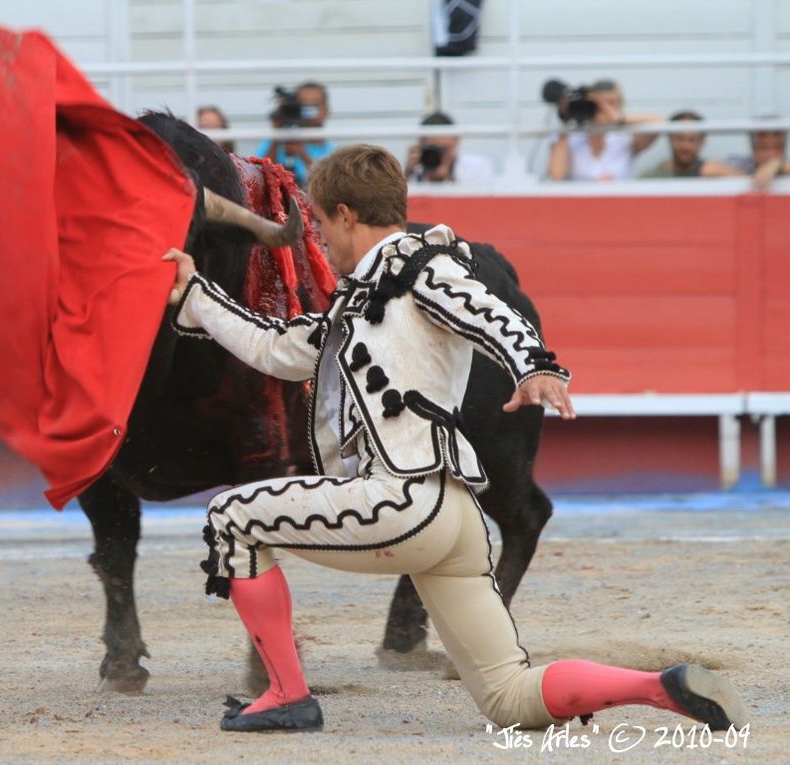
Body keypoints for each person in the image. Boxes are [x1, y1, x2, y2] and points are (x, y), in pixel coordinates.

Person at [162, 144, 748, 734]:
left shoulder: (419, 269)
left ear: (345, 215)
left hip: (401, 501)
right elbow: (277, 348)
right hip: (456, 520)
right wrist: (196, 296)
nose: (316, 237)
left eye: (317, 221)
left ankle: (287, 695)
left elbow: (489, 312)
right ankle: (662, 688)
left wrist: (535, 366)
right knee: (509, 697)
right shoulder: (362, 301)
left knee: (231, 516)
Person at [547, 79, 659, 181]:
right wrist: (568, 122)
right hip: (581, 201)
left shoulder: (626, 138)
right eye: (597, 104)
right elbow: (557, 175)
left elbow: (659, 123)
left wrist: (619, 119)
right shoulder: (571, 136)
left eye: (612, 103)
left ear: (621, 105)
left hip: (619, 200)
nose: (603, 109)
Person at [256, 81, 334, 187]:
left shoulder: (334, 151)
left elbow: (331, 187)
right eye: (303, 104)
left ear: (326, 110)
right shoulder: (274, 141)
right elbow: (259, 177)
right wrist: (277, 133)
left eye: (314, 105)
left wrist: (302, 154)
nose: (308, 110)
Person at [641, 111, 742, 178]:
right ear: (669, 139)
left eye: (692, 140)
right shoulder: (654, 177)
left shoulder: (716, 173)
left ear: (702, 141)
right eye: (680, 139)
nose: (686, 146)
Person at [404, 111, 494, 183]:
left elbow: (480, 201)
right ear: (421, 145)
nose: (440, 155)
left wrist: (447, 179)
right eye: (434, 149)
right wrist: (406, 174)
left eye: (444, 149)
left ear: (456, 142)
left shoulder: (477, 167)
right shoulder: (414, 170)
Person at [727, 121, 790, 192]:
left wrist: (778, 164)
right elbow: (713, 168)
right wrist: (752, 178)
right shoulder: (744, 163)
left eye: (777, 147)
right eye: (764, 147)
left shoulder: (785, 163)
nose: (771, 153)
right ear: (753, 148)